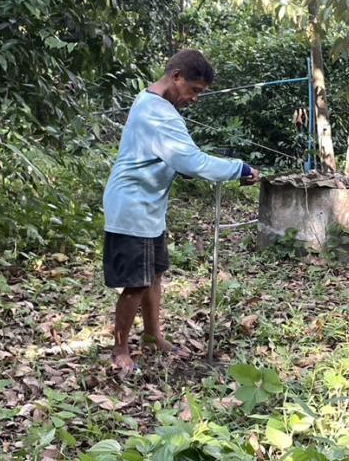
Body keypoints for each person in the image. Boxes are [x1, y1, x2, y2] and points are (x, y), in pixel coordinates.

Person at [102, 49, 259, 373]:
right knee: (135, 283)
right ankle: (120, 349)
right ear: (176, 77)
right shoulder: (156, 111)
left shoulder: (155, 104)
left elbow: (173, 159)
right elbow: (191, 161)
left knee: (154, 273)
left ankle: (152, 336)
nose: (194, 98)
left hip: (148, 207)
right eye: (194, 90)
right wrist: (239, 168)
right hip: (132, 207)